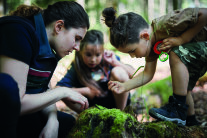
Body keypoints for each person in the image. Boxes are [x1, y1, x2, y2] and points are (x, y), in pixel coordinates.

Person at [102, 7, 207, 126]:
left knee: (175, 53)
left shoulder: (168, 23)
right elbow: (148, 74)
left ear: (145, 36)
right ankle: (191, 121)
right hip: (198, 51)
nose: (132, 56)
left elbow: (204, 13)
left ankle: (178, 110)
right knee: (182, 85)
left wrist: (182, 39)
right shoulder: (150, 46)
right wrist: (125, 86)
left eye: (132, 51)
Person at [0, 1, 90, 138]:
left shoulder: (49, 49)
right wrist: (62, 92)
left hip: (20, 114)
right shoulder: (18, 31)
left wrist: (52, 120)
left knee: (67, 123)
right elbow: (13, 103)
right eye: (76, 38)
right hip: (6, 114)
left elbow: (44, 90)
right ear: (59, 26)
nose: (77, 47)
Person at [56, 30, 134, 111]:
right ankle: (89, 117)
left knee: (119, 72)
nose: (93, 60)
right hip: (94, 107)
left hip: (116, 103)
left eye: (97, 55)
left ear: (102, 51)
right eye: (88, 55)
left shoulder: (109, 60)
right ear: (80, 52)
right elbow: (58, 89)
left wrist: (115, 62)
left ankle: (121, 114)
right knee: (64, 94)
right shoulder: (77, 67)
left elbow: (134, 75)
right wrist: (85, 91)